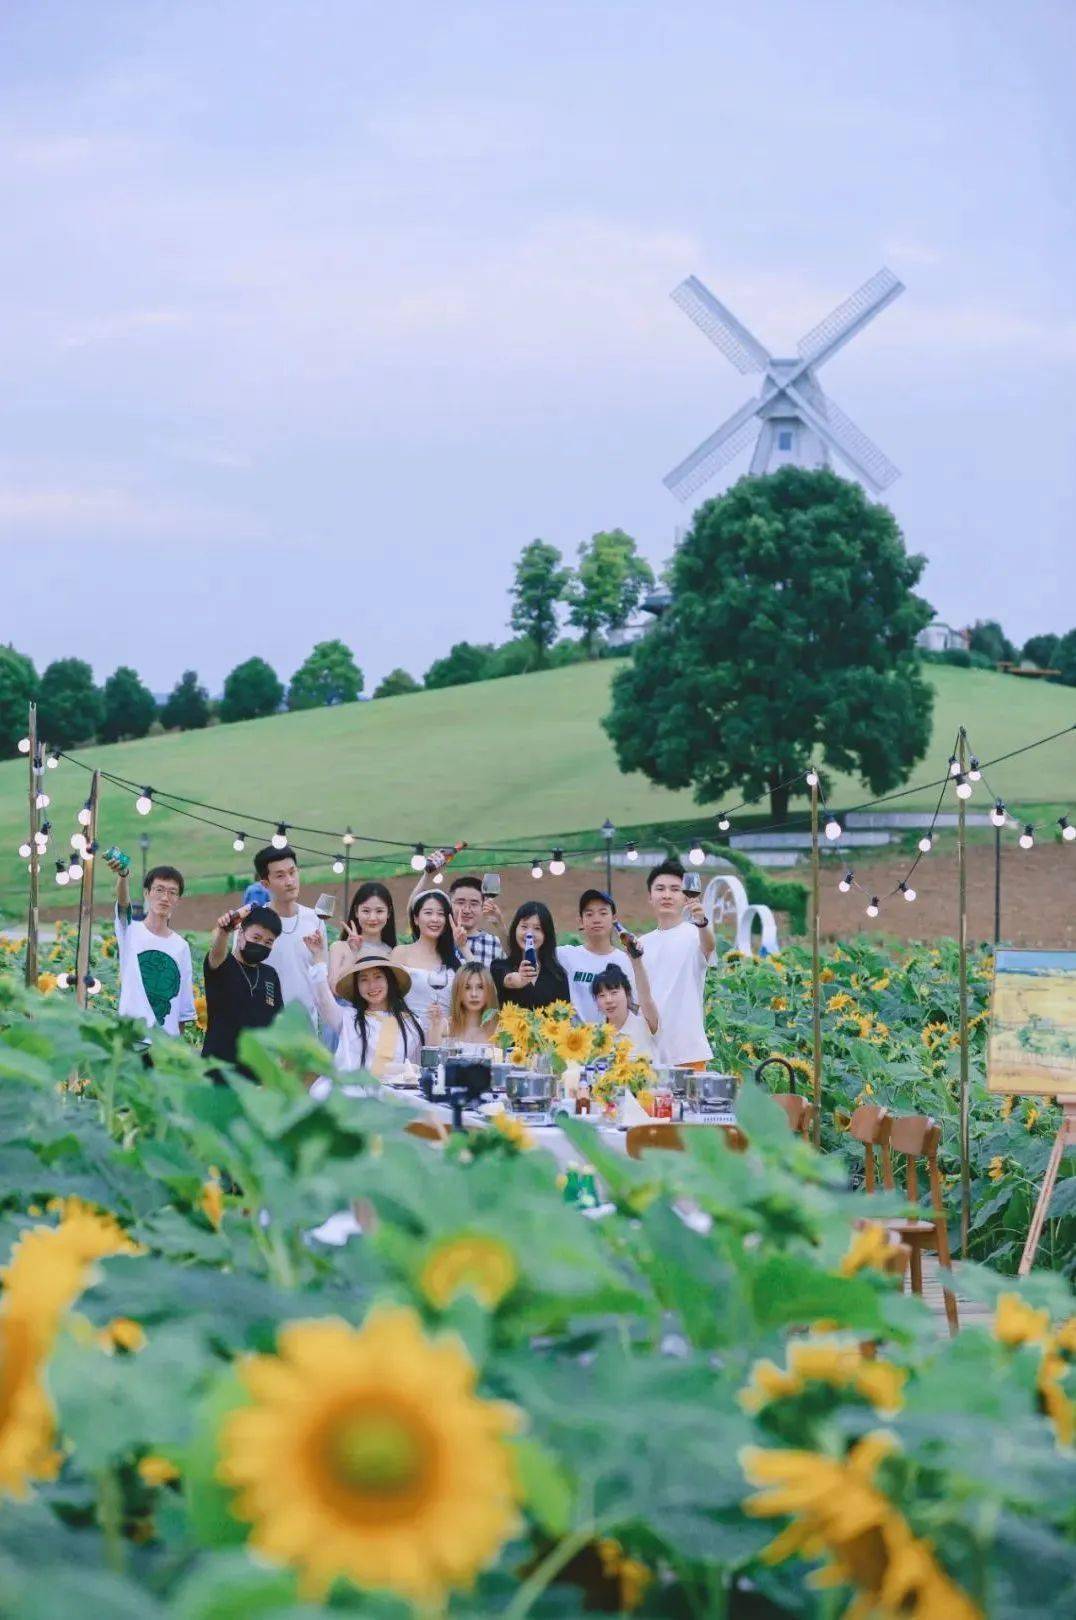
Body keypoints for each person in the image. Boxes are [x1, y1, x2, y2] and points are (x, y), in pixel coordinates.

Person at [306, 936, 424, 1079]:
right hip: (354, 1094)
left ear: (389, 981)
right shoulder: (347, 1018)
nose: (372, 985)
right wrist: (318, 958)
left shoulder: (411, 1023)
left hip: (397, 1097)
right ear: (357, 987)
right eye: (364, 980)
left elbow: (417, 1071)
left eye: (378, 977)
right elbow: (323, 1000)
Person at [107, 856, 195, 1038]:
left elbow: (182, 1003)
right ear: (147, 893)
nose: (165, 897)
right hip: (132, 1037)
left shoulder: (181, 946)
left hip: (164, 1043)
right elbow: (123, 905)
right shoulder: (130, 931)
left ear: (178, 899)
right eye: (159, 890)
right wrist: (123, 875)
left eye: (172, 892)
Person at [640, 859, 716, 1068]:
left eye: (675, 889)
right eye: (660, 889)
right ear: (650, 897)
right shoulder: (641, 943)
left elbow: (709, 946)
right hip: (648, 1052)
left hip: (688, 1051)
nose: (666, 895)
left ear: (685, 897)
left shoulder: (695, 934)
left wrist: (702, 921)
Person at [202, 904, 283, 1079]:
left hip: (256, 1075)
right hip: (218, 1070)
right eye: (256, 937)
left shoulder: (270, 975)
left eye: (268, 942)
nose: (261, 944)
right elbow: (216, 952)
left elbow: (278, 1022)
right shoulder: (222, 964)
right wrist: (225, 930)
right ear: (240, 934)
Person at [252, 844, 326, 1028]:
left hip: (305, 1028)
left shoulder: (315, 920)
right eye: (280, 875)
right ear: (265, 883)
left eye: (292, 872)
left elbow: (323, 975)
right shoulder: (253, 923)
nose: (290, 881)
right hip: (265, 1029)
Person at [392, 889, 469, 1028]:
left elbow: (484, 983)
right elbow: (390, 998)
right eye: (428, 913)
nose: (435, 919)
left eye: (440, 914)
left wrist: (463, 947)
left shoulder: (454, 961)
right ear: (415, 919)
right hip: (408, 1034)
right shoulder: (400, 953)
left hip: (444, 1037)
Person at [556, 888, 636, 1022]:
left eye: (603, 913)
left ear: (614, 919)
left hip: (616, 1040)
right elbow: (521, 957)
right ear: (581, 921)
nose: (596, 919)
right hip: (576, 1040)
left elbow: (634, 1006)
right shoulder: (565, 956)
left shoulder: (626, 961)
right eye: (589, 914)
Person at [492, 901, 570, 1011]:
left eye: (537, 928)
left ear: (546, 935)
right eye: (524, 926)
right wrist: (520, 979)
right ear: (515, 929)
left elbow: (564, 1015)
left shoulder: (557, 975)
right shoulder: (500, 967)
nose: (529, 933)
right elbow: (508, 980)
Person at [328, 881, 398, 987]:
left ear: (388, 913)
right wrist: (353, 954)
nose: (372, 918)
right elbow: (334, 988)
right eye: (366, 911)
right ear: (356, 912)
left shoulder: (393, 953)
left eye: (379, 911)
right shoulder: (339, 948)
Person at [591, 962, 659, 1061]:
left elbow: (646, 998)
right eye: (601, 996)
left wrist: (636, 961)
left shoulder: (645, 1024)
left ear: (627, 994)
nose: (608, 1000)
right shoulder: (594, 1034)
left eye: (614, 993)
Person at [428, 961, 500, 1046]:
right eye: (467, 987)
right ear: (458, 991)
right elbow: (432, 1056)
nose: (474, 994)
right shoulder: (444, 1026)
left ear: (489, 991)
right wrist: (435, 1026)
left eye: (480, 987)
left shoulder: (499, 1029)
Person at [448, 875, 505, 968]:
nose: (466, 910)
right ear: (450, 904)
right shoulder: (438, 939)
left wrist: (501, 925)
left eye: (474, 904)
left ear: (483, 906)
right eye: (460, 902)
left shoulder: (495, 943)